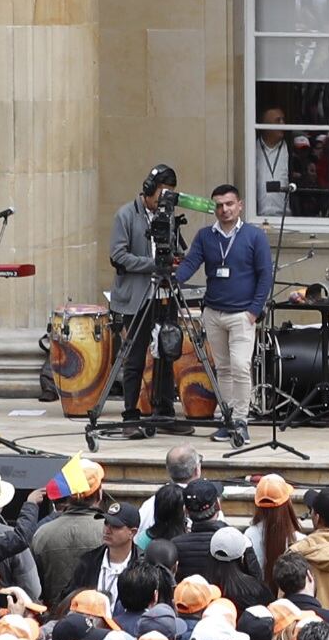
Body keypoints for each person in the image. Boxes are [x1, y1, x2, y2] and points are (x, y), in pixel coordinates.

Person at [169, 186, 276, 438]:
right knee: (223, 369)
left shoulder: (254, 236)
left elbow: (265, 276)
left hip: (242, 314)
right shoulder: (206, 236)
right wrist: (171, 278)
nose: (224, 209)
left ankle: (241, 420)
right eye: (219, 205)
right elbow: (191, 264)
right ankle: (227, 419)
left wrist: (254, 310)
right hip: (213, 312)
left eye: (229, 204)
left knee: (240, 366)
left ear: (240, 205)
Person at [103, 165, 181, 430]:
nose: (164, 199)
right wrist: (152, 265)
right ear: (149, 189)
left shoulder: (169, 216)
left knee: (167, 350)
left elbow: (177, 247)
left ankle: (164, 408)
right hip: (136, 298)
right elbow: (118, 256)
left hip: (163, 294)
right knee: (135, 357)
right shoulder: (125, 215)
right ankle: (130, 412)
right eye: (162, 192)